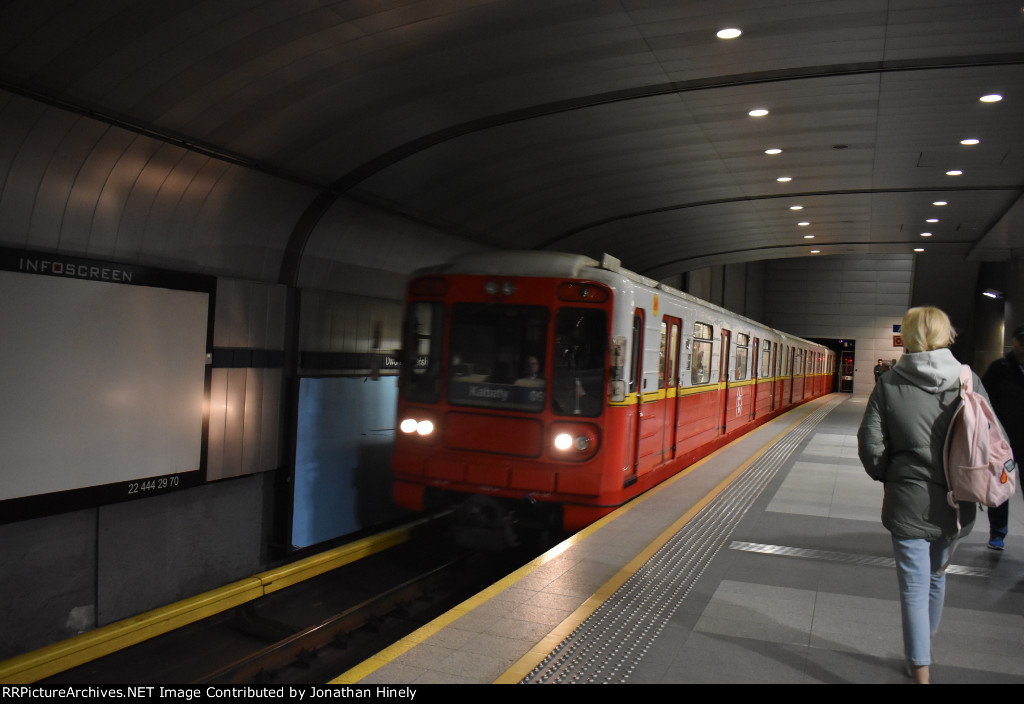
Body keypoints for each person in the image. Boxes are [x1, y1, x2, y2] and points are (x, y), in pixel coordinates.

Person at [858, 307, 984, 684]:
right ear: (947, 334)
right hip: (958, 499)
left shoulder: (890, 381)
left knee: (914, 583)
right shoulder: (968, 379)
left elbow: (870, 442)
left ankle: (921, 666)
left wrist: (887, 474)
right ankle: (922, 650)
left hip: (908, 497)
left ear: (908, 337)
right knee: (935, 578)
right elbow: (988, 437)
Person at [980, 323, 1024, 550]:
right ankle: (997, 532)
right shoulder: (1000, 368)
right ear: (1014, 341)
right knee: (1000, 487)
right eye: (1021, 340)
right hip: (1003, 442)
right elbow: (983, 400)